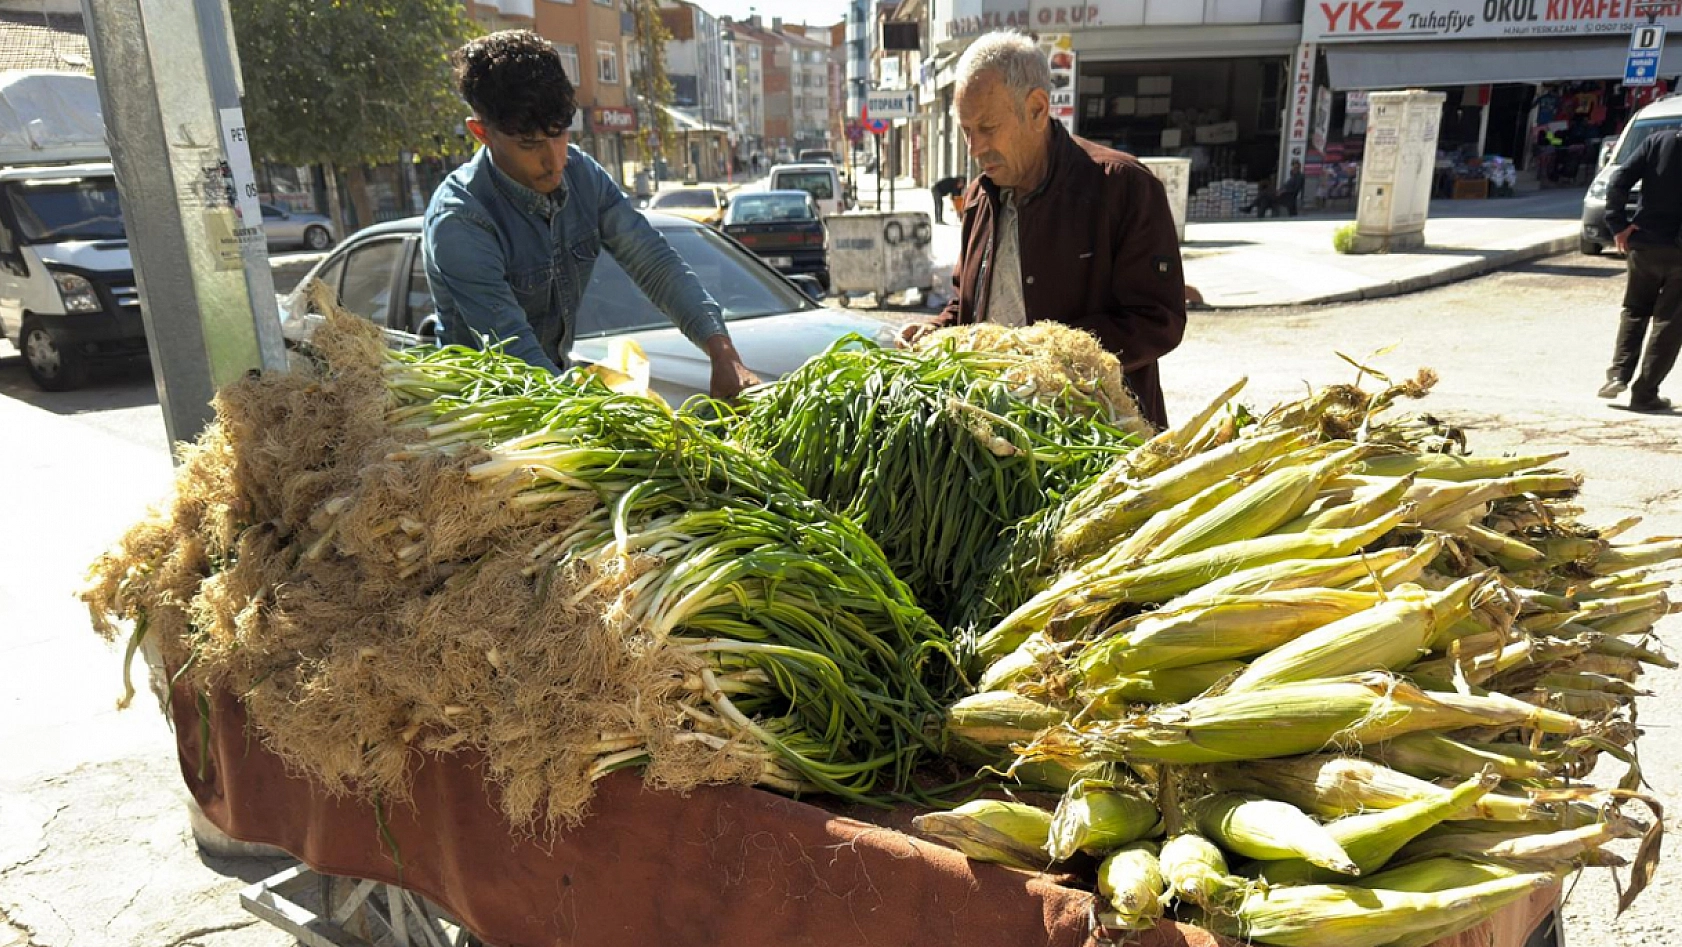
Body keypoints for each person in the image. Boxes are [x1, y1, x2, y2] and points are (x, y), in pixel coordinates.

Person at [423, 31, 756, 399]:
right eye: (530, 145)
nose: (554, 161)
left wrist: (721, 350)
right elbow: (514, 355)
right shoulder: (460, 220)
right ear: (482, 133)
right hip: (481, 418)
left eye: (560, 135)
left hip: (555, 398)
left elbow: (655, 263)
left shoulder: (583, 176)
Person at [901, 32, 1185, 429]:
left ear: (1036, 109)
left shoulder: (1123, 187)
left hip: (1094, 440)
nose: (974, 147)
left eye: (986, 127)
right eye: (966, 130)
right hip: (1000, 439)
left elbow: (1159, 321)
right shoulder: (979, 199)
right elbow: (967, 306)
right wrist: (935, 330)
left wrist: (1043, 354)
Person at [1598, 123, 1682, 413]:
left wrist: (1618, 225)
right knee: (1670, 322)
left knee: (1635, 309)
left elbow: (1619, 179)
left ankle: (1619, 374)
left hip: (1645, 243)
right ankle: (1645, 394)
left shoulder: (1658, 141)